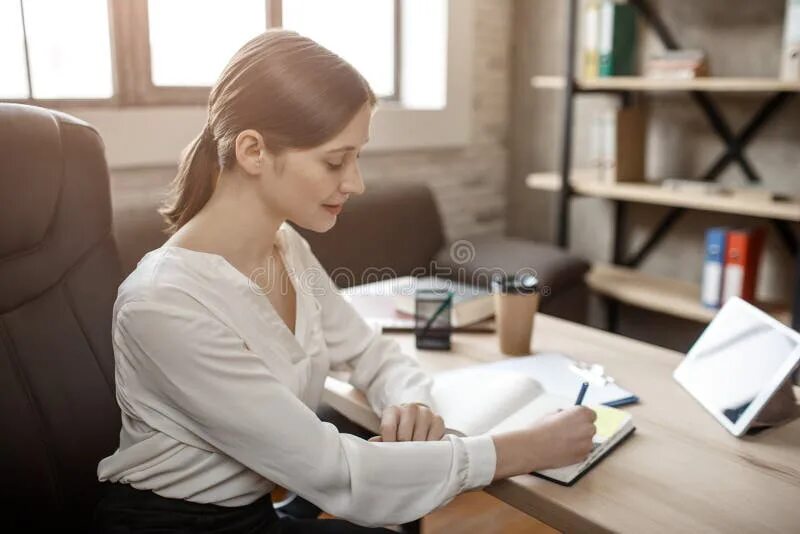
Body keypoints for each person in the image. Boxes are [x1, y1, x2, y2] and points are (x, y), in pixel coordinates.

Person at [92, 30, 597, 533]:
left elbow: (370, 354)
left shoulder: (286, 247)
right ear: (253, 152)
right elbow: (340, 474)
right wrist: (525, 449)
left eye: (357, 157)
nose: (355, 182)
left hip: (258, 507)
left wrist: (408, 401)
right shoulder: (164, 304)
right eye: (336, 160)